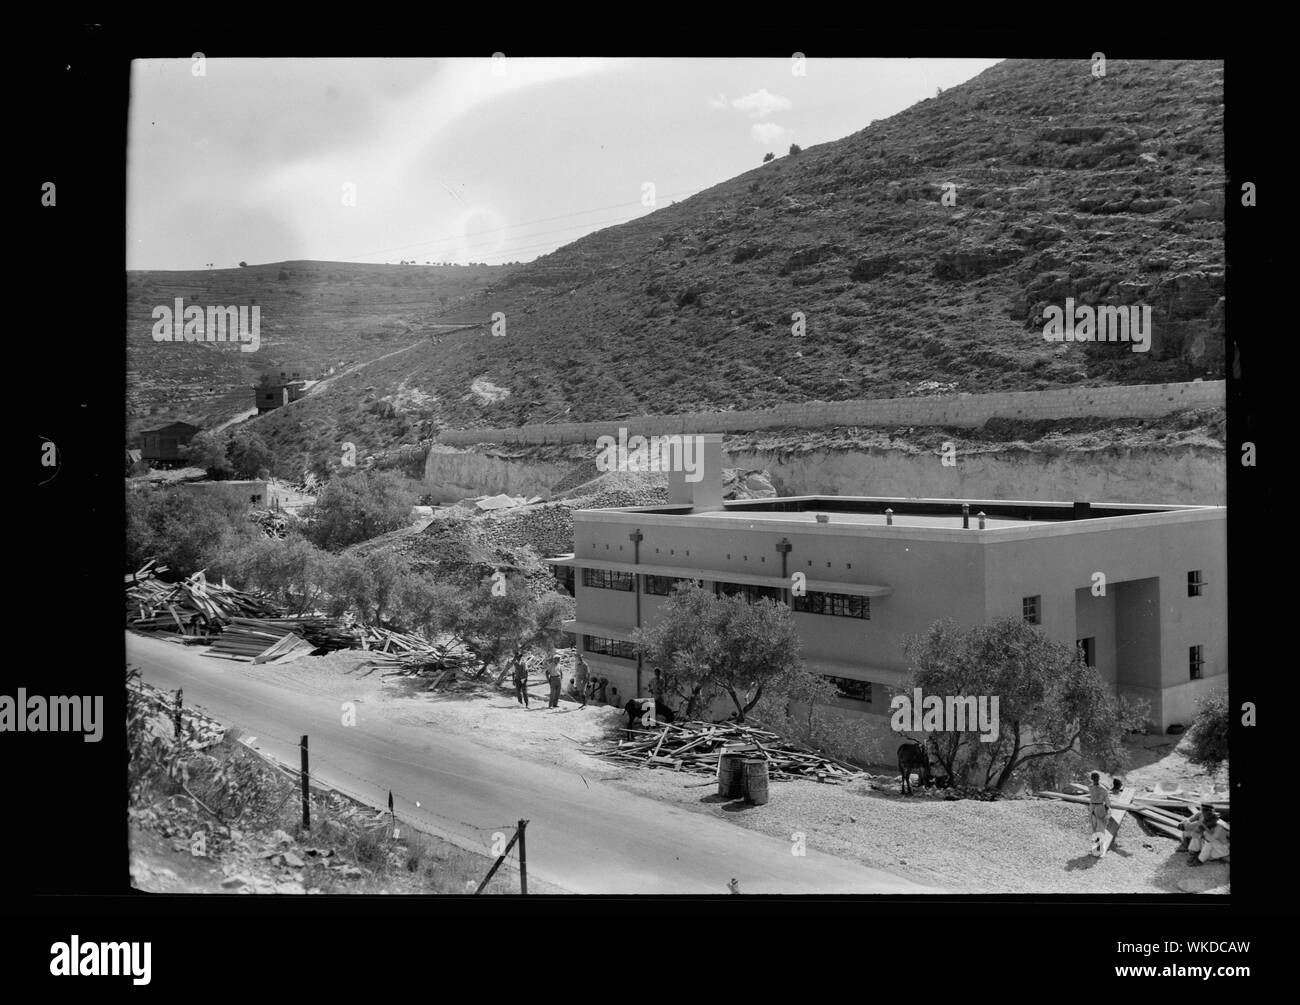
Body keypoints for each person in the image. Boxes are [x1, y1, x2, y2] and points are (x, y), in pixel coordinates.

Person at [1087, 771, 1111, 855]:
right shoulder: (1090, 787)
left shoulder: (1103, 789)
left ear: (1098, 778)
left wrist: (1106, 810)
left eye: (1096, 778)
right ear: (1092, 779)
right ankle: (1095, 849)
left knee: (1100, 830)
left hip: (1100, 808)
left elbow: (1108, 802)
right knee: (1094, 830)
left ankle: (1100, 850)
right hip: (1092, 808)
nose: (1095, 780)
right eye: (1094, 778)